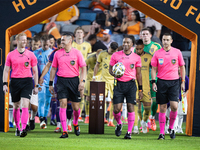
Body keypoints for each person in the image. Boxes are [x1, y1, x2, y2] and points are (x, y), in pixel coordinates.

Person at [49, 32, 87, 138]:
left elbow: (83, 67)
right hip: (61, 81)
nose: (61, 42)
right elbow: (53, 68)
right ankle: (64, 131)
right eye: (61, 40)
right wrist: (50, 83)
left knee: (76, 107)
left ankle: (75, 123)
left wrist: (82, 82)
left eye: (63, 40)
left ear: (70, 41)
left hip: (74, 81)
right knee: (63, 104)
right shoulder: (57, 53)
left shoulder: (77, 53)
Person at [3, 32, 38, 137]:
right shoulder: (11, 55)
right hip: (15, 81)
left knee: (25, 104)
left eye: (25, 40)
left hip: (27, 81)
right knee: (16, 105)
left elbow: (35, 71)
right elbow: (6, 71)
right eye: (22, 40)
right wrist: (5, 84)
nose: (24, 41)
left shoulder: (31, 54)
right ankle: (17, 127)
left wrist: (36, 86)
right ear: (17, 41)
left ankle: (23, 128)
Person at [151, 33, 185, 140]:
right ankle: (162, 133)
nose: (165, 42)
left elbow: (182, 67)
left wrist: (183, 81)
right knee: (162, 107)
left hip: (174, 82)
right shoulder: (157, 53)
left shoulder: (177, 52)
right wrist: (153, 82)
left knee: (174, 106)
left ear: (171, 41)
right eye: (163, 40)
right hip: (161, 82)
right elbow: (153, 69)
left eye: (167, 40)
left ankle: (171, 128)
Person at [109, 35, 143, 139]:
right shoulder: (115, 55)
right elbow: (110, 69)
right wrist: (114, 74)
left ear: (132, 44)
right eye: (124, 42)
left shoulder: (136, 57)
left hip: (131, 84)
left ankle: (129, 133)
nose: (125, 44)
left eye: (128, 42)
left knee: (130, 107)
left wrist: (140, 89)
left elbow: (138, 74)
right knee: (116, 109)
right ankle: (119, 123)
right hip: (119, 84)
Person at [141, 27, 162, 131]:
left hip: (155, 78)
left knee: (154, 102)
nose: (144, 36)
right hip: (143, 78)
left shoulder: (157, 46)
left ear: (150, 35)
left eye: (146, 34)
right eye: (143, 34)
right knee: (143, 102)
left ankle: (152, 118)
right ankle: (143, 122)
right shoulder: (138, 47)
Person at [94, 42, 119, 126]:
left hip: (113, 80)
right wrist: (94, 77)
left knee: (113, 100)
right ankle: (102, 117)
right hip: (103, 80)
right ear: (109, 47)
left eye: (114, 51)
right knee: (101, 99)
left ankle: (111, 120)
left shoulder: (117, 55)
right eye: (112, 50)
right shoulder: (102, 54)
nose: (112, 52)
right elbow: (97, 65)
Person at [72, 27, 92, 122]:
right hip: (73, 72)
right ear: (75, 34)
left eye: (81, 32)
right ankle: (74, 114)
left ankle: (80, 115)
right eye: (78, 32)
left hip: (83, 72)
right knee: (73, 94)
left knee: (82, 93)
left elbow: (89, 59)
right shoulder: (71, 44)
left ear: (83, 35)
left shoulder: (87, 45)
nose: (79, 34)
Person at [33, 35, 53, 129]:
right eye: (44, 44)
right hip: (40, 80)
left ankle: (44, 116)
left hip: (50, 80)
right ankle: (42, 119)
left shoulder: (53, 53)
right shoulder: (36, 53)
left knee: (48, 101)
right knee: (41, 99)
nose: (46, 46)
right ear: (41, 43)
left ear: (50, 43)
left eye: (47, 44)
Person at [135, 39, 152, 134]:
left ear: (143, 47)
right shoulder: (132, 57)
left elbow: (154, 68)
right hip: (135, 85)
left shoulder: (149, 57)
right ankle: (136, 126)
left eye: (140, 49)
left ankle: (144, 121)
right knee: (137, 106)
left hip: (146, 85)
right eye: (137, 49)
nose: (138, 51)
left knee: (147, 107)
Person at [84, 49, 103, 123]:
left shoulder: (104, 57)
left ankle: (101, 116)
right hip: (90, 78)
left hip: (100, 78)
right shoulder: (90, 57)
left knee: (101, 98)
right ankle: (87, 116)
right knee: (88, 97)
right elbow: (83, 66)